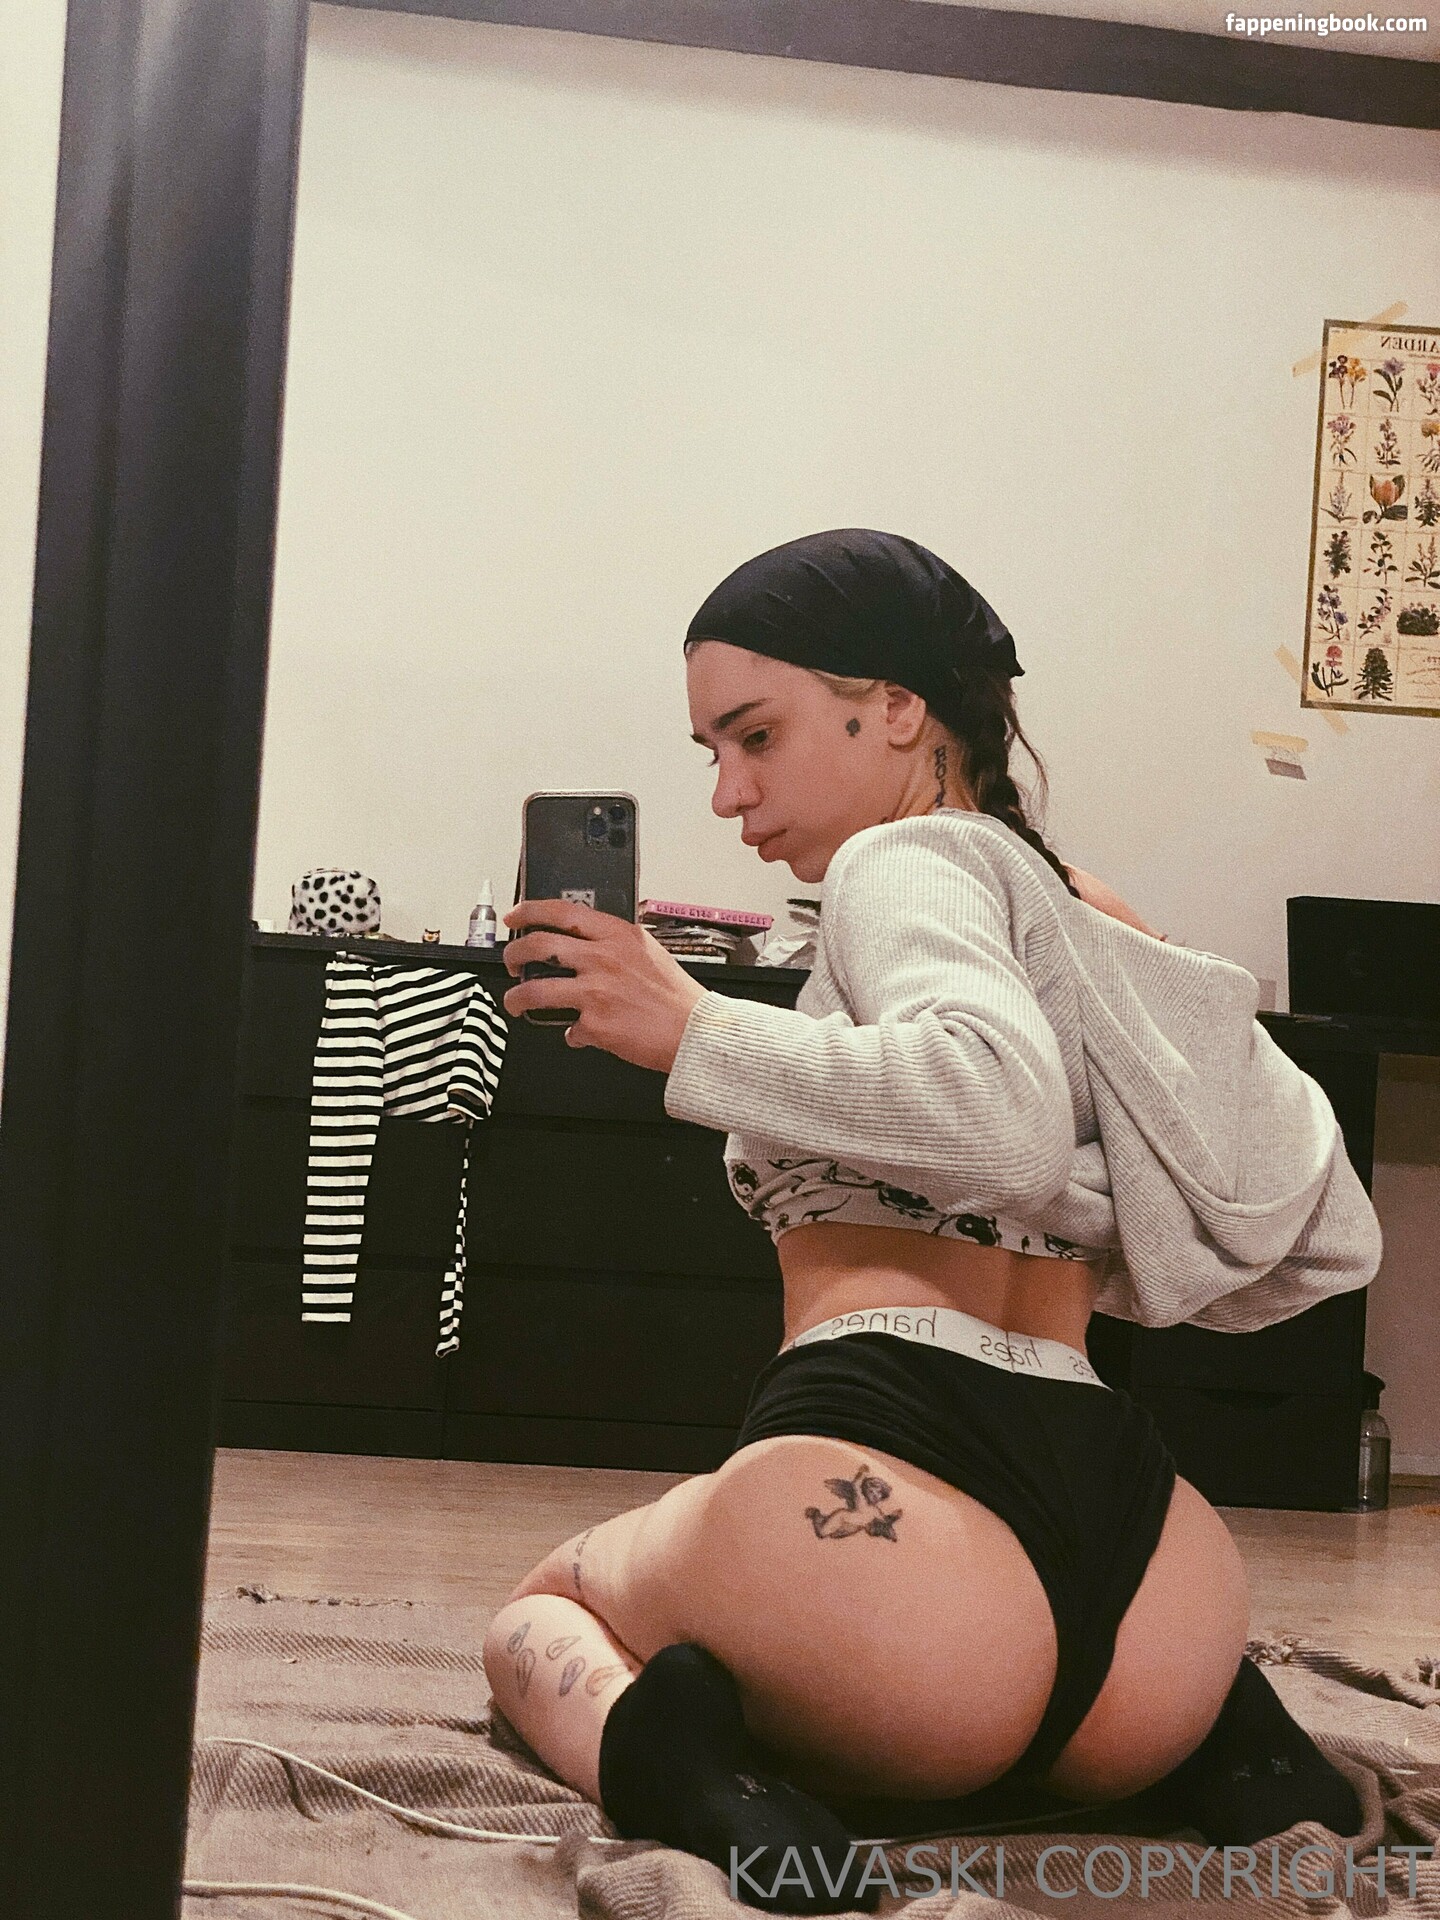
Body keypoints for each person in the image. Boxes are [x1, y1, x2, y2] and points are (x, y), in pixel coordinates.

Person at [485, 530, 1369, 1915]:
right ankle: (1217, 1739)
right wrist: (1077, 1228)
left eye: (757, 735)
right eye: (711, 752)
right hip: (1159, 1584)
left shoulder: (899, 864)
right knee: (1087, 1688)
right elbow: (1321, 1230)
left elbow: (996, 1118)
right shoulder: (1084, 914)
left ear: (897, 708)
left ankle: (689, 1772)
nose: (728, 792)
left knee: (543, 1612)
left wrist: (690, 1028)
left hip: (883, 1522)